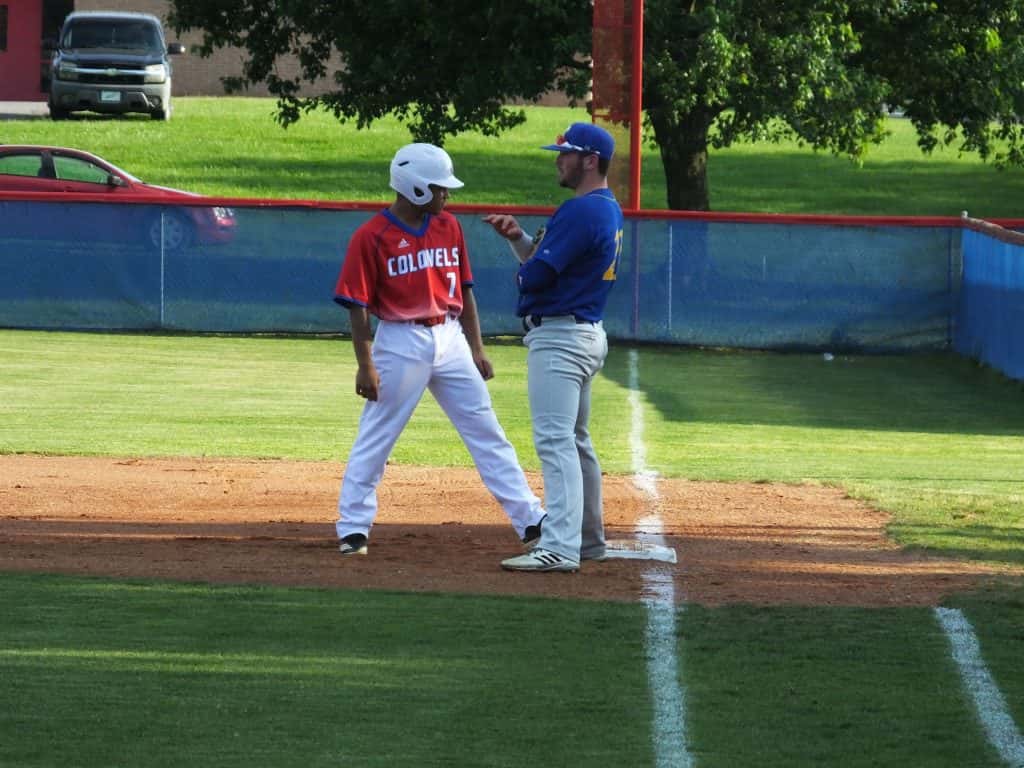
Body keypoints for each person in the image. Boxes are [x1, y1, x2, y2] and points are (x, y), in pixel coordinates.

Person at [332, 142, 546, 556]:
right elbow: (357, 307)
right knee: (377, 435)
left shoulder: (449, 226)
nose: (446, 194)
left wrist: (477, 348)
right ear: (414, 187)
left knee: (486, 430)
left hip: (450, 338)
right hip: (400, 341)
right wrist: (365, 364)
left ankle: (531, 519)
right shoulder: (370, 236)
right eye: (438, 187)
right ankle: (353, 526)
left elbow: (465, 291)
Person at [483, 122, 624, 572]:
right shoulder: (605, 207)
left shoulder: (581, 210)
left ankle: (561, 546)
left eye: (567, 153)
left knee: (555, 440)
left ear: (590, 160)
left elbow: (537, 275)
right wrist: (519, 241)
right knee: (575, 441)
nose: (558, 160)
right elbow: (548, 262)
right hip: (581, 331)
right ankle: (588, 540)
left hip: (562, 337)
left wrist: (524, 273)